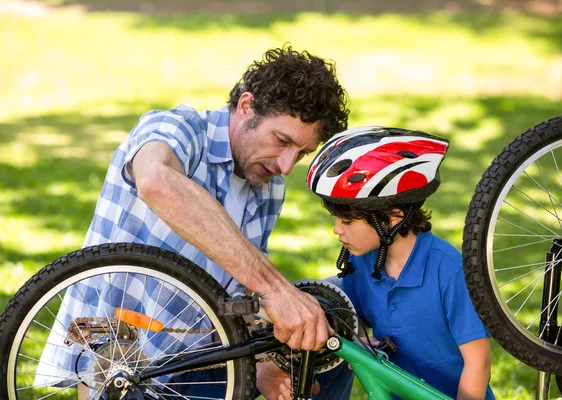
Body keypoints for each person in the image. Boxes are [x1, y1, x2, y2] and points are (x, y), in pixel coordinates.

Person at [34, 45, 350, 398]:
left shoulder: (269, 188)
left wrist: (263, 369)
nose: (287, 165)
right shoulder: (176, 127)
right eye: (282, 141)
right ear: (246, 107)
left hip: (204, 361)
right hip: (125, 362)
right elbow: (155, 180)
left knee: (332, 341)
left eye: (302, 153)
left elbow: (236, 300)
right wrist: (275, 288)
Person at [277, 126, 495, 399]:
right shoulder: (364, 263)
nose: (336, 230)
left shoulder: (448, 270)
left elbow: (479, 363)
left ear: (392, 217)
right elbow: (346, 318)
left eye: (346, 221)